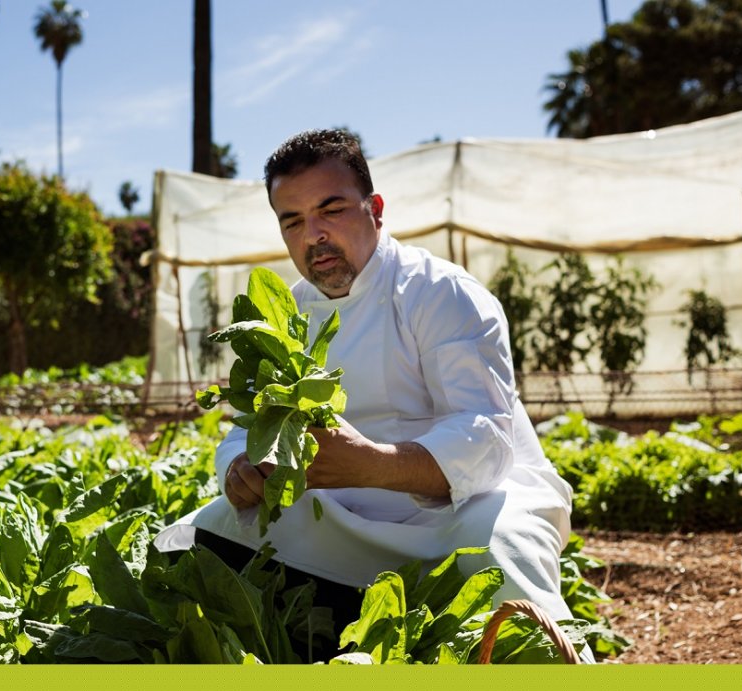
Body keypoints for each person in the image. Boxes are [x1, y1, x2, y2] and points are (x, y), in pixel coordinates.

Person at [155, 128, 587, 662]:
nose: (313, 235)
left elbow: (486, 439)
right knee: (211, 533)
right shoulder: (285, 312)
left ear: (374, 209)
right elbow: (248, 426)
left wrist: (371, 464)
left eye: (330, 209)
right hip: (339, 502)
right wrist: (239, 471)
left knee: (498, 549)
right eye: (292, 220)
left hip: (464, 503)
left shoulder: (439, 292)